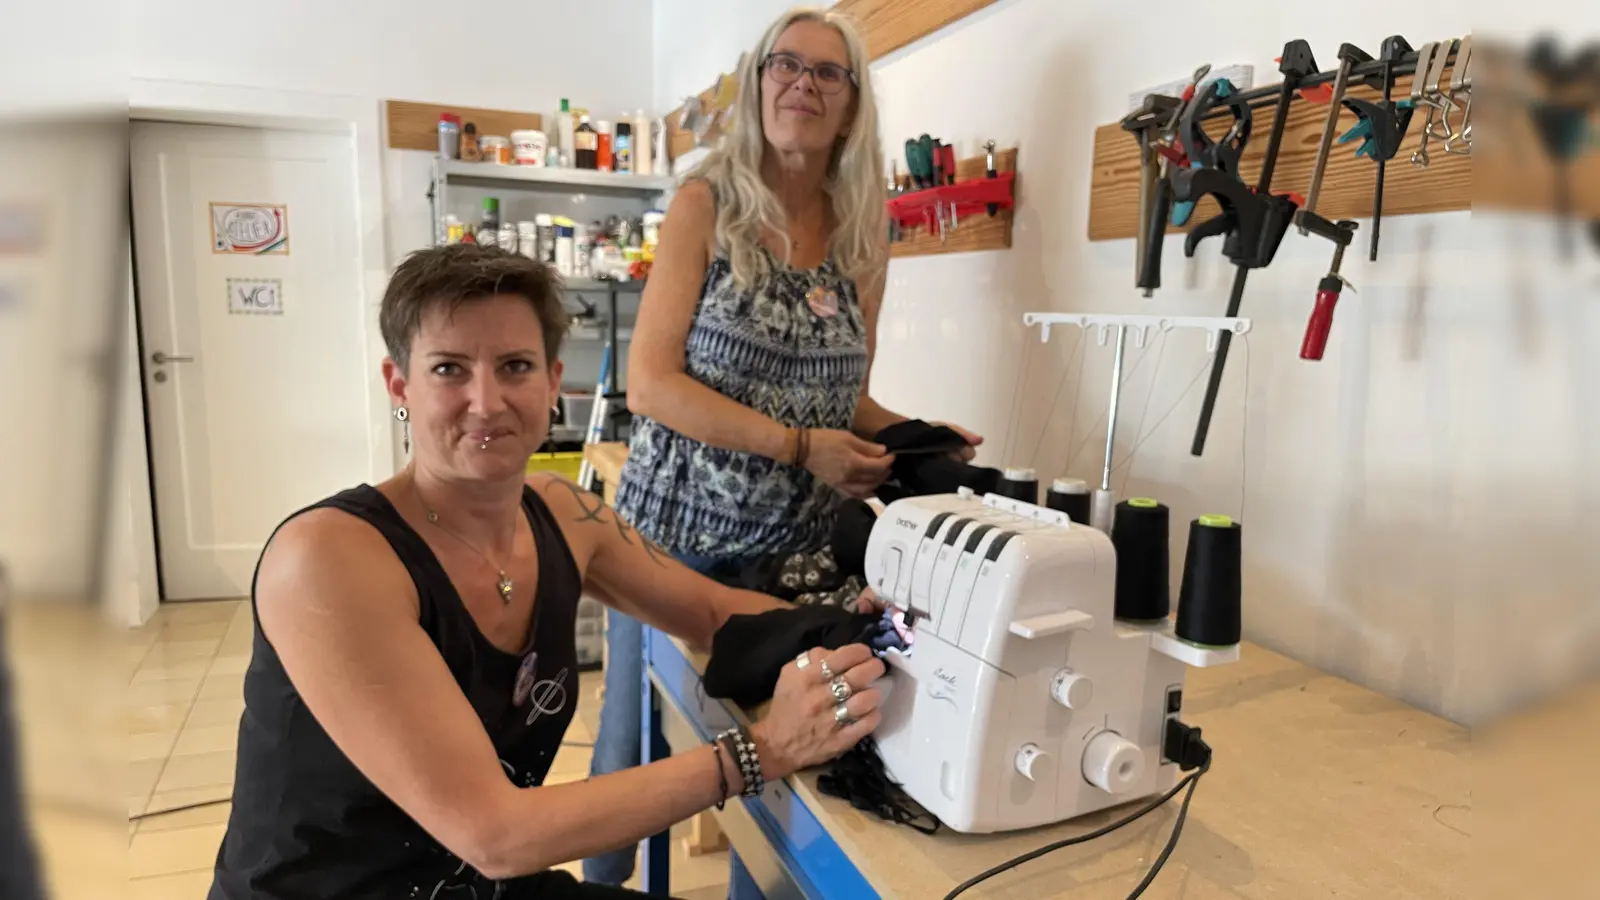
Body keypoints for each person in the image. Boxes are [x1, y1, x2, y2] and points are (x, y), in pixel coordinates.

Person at [206, 243, 888, 900]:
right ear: (399, 384)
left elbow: (711, 611)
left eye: (515, 366)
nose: (487, 400)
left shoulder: (561, 514)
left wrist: (860, 629)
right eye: (449, 369)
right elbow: (496, 834)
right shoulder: (330, 559)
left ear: (554, 382)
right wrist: (763, 749)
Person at [586, 6, 981, 895]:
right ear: (759, 83)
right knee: (629, 746)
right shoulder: (704, 205)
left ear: (850, 105)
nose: (801, 83)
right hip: (669, 538)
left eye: (826, 74)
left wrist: (911, 437)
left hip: (790, 560)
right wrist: (803, 447)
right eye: (784, 66)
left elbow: (846, 395)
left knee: (783, 764)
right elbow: (650, 385)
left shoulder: (862, 238)